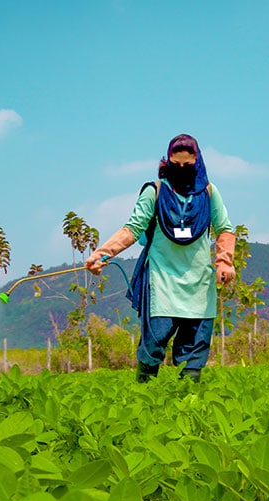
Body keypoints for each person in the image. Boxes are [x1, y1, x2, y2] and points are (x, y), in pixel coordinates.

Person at [85, 134, 236, 382]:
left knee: (193, 351)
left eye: (188, 166)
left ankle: (187, 404)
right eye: (176, 165)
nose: (182, 170)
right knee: (154, 342)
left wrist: (224, 261)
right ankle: (145, 400)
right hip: (161, 279)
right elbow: (133, 228)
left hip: (198, 281)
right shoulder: (154, 191)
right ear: (168, 162)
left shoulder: (209, 192)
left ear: (197, 162)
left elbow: (225, 229)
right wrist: (103, 253)